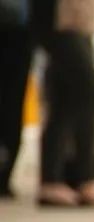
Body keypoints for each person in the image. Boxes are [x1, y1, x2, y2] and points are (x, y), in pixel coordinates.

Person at [37, 0, 94, 206]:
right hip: (61, 21)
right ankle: (85, 177)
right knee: (88, 92)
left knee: (64, 101)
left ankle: (53, 179)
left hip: (81, 21)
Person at [0, 0, 34, 198]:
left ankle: (5, 175)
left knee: (12, 106)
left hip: (19, 33)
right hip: (18, 30)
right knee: (12, 105)